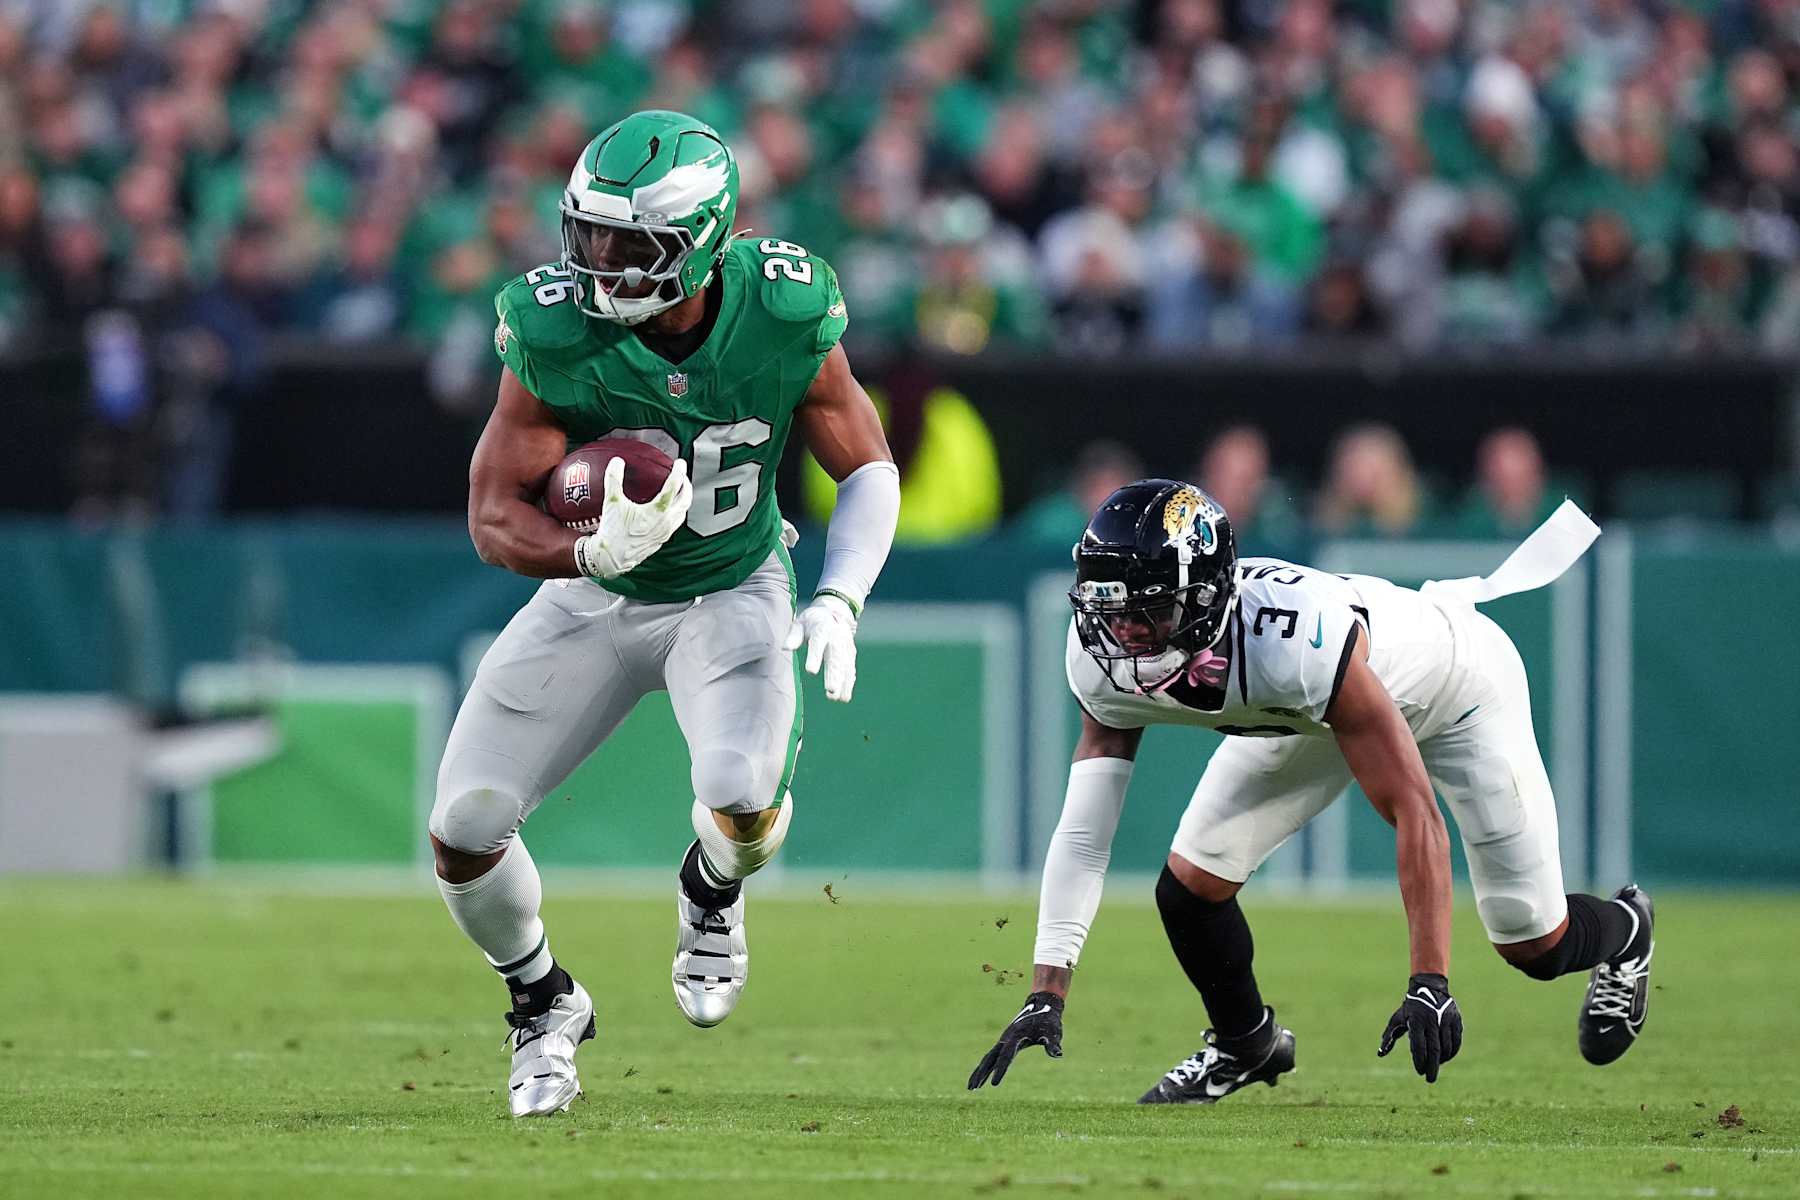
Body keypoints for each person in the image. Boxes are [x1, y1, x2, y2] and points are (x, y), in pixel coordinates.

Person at [430, 111, 900, 1117]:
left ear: (702, 240)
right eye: (588, 236)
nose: (600, 263)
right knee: (462, 828)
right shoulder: (554, 330)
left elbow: (866, 462)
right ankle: (542, 1001)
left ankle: (711, 892)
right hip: (595, 595)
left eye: (628, 244)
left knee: (740, 792)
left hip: (732, 587)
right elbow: (491, 515)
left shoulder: (780, 309)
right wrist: (583, 552)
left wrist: (841, 597)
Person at [969, 480, 1654, 1102]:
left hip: (1456, 690)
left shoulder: (1293, 640)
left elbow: (1414, 810)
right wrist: (1045, 990)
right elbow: (1086, 831)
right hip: (1308, 714)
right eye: (1110, 607)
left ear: (1204, 597)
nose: (1121, 633)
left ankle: (1626, 933)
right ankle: (1245, 1045)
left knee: (1532, 944)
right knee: (1190, 887)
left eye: (1146, 611)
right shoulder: (1101, 658)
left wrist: (1429, 982)